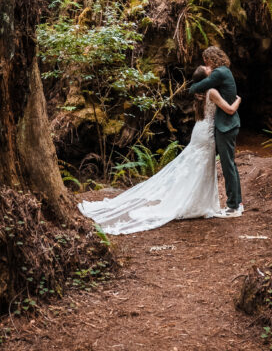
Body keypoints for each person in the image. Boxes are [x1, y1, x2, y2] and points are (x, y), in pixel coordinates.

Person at [77, 66, 241, 234]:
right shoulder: (212, 91)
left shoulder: (200, 94)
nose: (210, 68)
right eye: (207, 69)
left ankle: (194, 199)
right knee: (201, 166)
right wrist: (238, 100)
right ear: (206, 77)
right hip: (206, 133)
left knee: (196, 165)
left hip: (199, 130)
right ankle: (195, 202)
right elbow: (229, 109)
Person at [188, 46, 242, 217]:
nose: (206, 64)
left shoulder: (218, 74)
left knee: (228, 166)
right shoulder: (225, 72)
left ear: (210, 59)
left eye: (206, 61)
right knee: (230, 165)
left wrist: (193, 88)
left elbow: (195, 88)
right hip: (227, 124)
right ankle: (237, 203)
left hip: (225, 125)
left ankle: (233, 207)